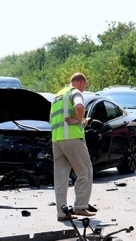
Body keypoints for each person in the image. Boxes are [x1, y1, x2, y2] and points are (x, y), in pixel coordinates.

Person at [50, 73, 96, 222]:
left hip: (57, 139)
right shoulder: (74, 92)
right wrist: (79, 119)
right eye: (85, 86)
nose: (84, 89)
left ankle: (62, 212)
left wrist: (79, 121)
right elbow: (79, 106)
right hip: (72, 138)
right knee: (85, 171)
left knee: (61, 178)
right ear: (81, 82)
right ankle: (80, 206)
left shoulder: (57, 96)